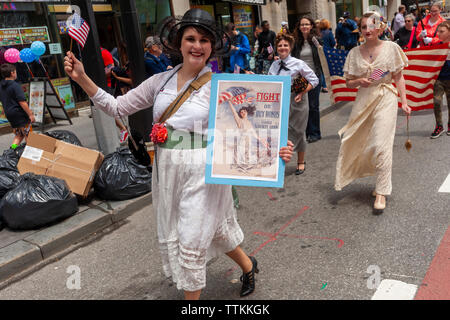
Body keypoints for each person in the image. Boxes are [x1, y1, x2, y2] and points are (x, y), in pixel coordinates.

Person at [64, 8, 294, 300]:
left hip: (204, 173)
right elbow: (118, 107)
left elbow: (250, 127)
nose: (197, 45)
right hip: (168, 170)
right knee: (216, 231)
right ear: (180, 42)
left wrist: (276, 151)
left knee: (191, 241)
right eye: (191, 38)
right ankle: (249, 265)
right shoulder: (159, 81)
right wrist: (83, 77)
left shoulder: (222, 86)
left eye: (204, 40)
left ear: (212, 47)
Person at [335, 12, 411, 214]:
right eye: (364, 27)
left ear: (380, 28)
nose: (368, 30)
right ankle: (371, 176)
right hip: (363, 100)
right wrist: (359, 81)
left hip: (386, 97)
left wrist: (404, 101)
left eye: (372, 26)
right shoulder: (353, 53)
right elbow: (348, 82)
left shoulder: (392, 48)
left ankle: (382, 191)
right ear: (359, 30)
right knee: (355, 140)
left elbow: (399, 77)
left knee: (381, 144)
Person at [269, 33, 319, 175]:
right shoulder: (274, 65)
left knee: (298, 131)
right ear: (276, 48)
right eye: (280, 45)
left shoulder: (298, 63)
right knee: (280, 132)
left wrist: (302, 93)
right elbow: (269, 82)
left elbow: (314, 80)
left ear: (290, 47)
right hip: (279, 100)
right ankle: (281, 162)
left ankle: (301, 161)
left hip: (297, 100)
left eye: (285, 45)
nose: (283, 48)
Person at [292, 16, 324, 143]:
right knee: (301, 107)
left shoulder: (316, 40)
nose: (304, 27)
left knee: (313, 105)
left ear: (311, 26)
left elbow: (323, 56)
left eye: (307, 24)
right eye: (302, 25)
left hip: (314, 76)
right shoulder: (295, 42)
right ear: (299, 27)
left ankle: (315, 132)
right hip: (300, 78)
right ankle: (305, 133)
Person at [0, 63, 35, 147]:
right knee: (29, 135)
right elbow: (22, 102)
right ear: (12, 73)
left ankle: (12, 151)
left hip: (10, 114)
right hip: (19, 114)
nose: (16, 73)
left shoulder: (1, 86)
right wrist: (30, 114)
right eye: (15, 72)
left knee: (19, 135)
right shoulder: (15, 85)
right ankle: (31, 155)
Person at [430, 20, 450, 138]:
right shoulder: (436, 47)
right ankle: (439, 126)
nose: (438, 33)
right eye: (438, 31)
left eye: (442, 31)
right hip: (439, 79)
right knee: (437, 102)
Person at [319, 19, 336, 93]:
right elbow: (333, 43)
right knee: (328, 69)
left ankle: (323, 86)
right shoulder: (329, 33)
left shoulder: (319, 33)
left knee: (322, 70)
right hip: (328, 52)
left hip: (320, 52)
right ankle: (326, 86)